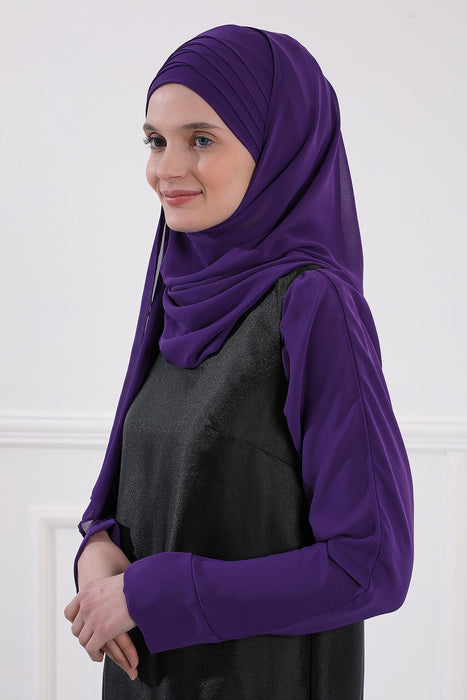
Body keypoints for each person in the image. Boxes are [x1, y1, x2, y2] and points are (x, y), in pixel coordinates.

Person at [64, 24, 414, 699]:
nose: (166, 168)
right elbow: (147, 484)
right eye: (155, 140)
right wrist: (97, 549)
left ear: (280, 147)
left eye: (201, 139)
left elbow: (371, 566)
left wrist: (158, 592)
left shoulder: (314, 306)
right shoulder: (178, 289)